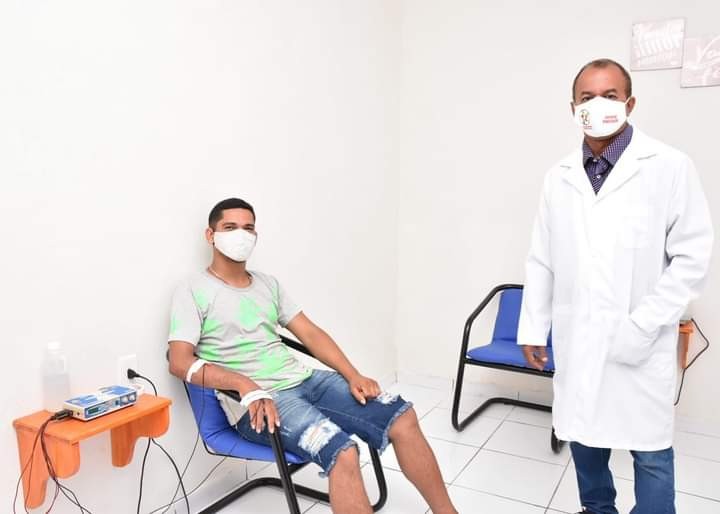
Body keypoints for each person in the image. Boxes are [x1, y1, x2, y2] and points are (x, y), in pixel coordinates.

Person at [168, 198, 458, 514]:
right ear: (211, 235)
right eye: (230, 227)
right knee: (343, 452)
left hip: (305, 380)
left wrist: (353, 375)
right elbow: (179, 361)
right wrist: (243, 383)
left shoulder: (267, 284)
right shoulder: (192, 289)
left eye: (248, 228)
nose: (241, 234)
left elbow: (310, 333)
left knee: (403, 417)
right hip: (259, 404)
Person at [517, 59, 713, 514]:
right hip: (579, 339)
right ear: (573, 108)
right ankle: (598, 509)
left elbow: (691, 258)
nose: (597, 105)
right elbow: (542, 258)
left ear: (630, 103)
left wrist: (642, 325)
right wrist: (533, 327)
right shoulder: (559, 176)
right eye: (587, 98)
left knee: (651, 453)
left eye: (609, 96)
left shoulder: (668, 166)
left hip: (641, 342)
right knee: (584, 440)